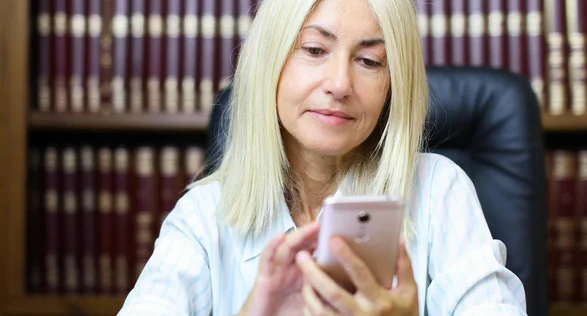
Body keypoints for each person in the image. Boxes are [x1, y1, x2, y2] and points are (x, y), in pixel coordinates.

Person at [118, 0, 527, 315]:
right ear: (270, 62)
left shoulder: (440, 190)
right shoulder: (202, 216)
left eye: (369, 61)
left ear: (392, 85)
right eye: (314, 49)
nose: (339, 84)